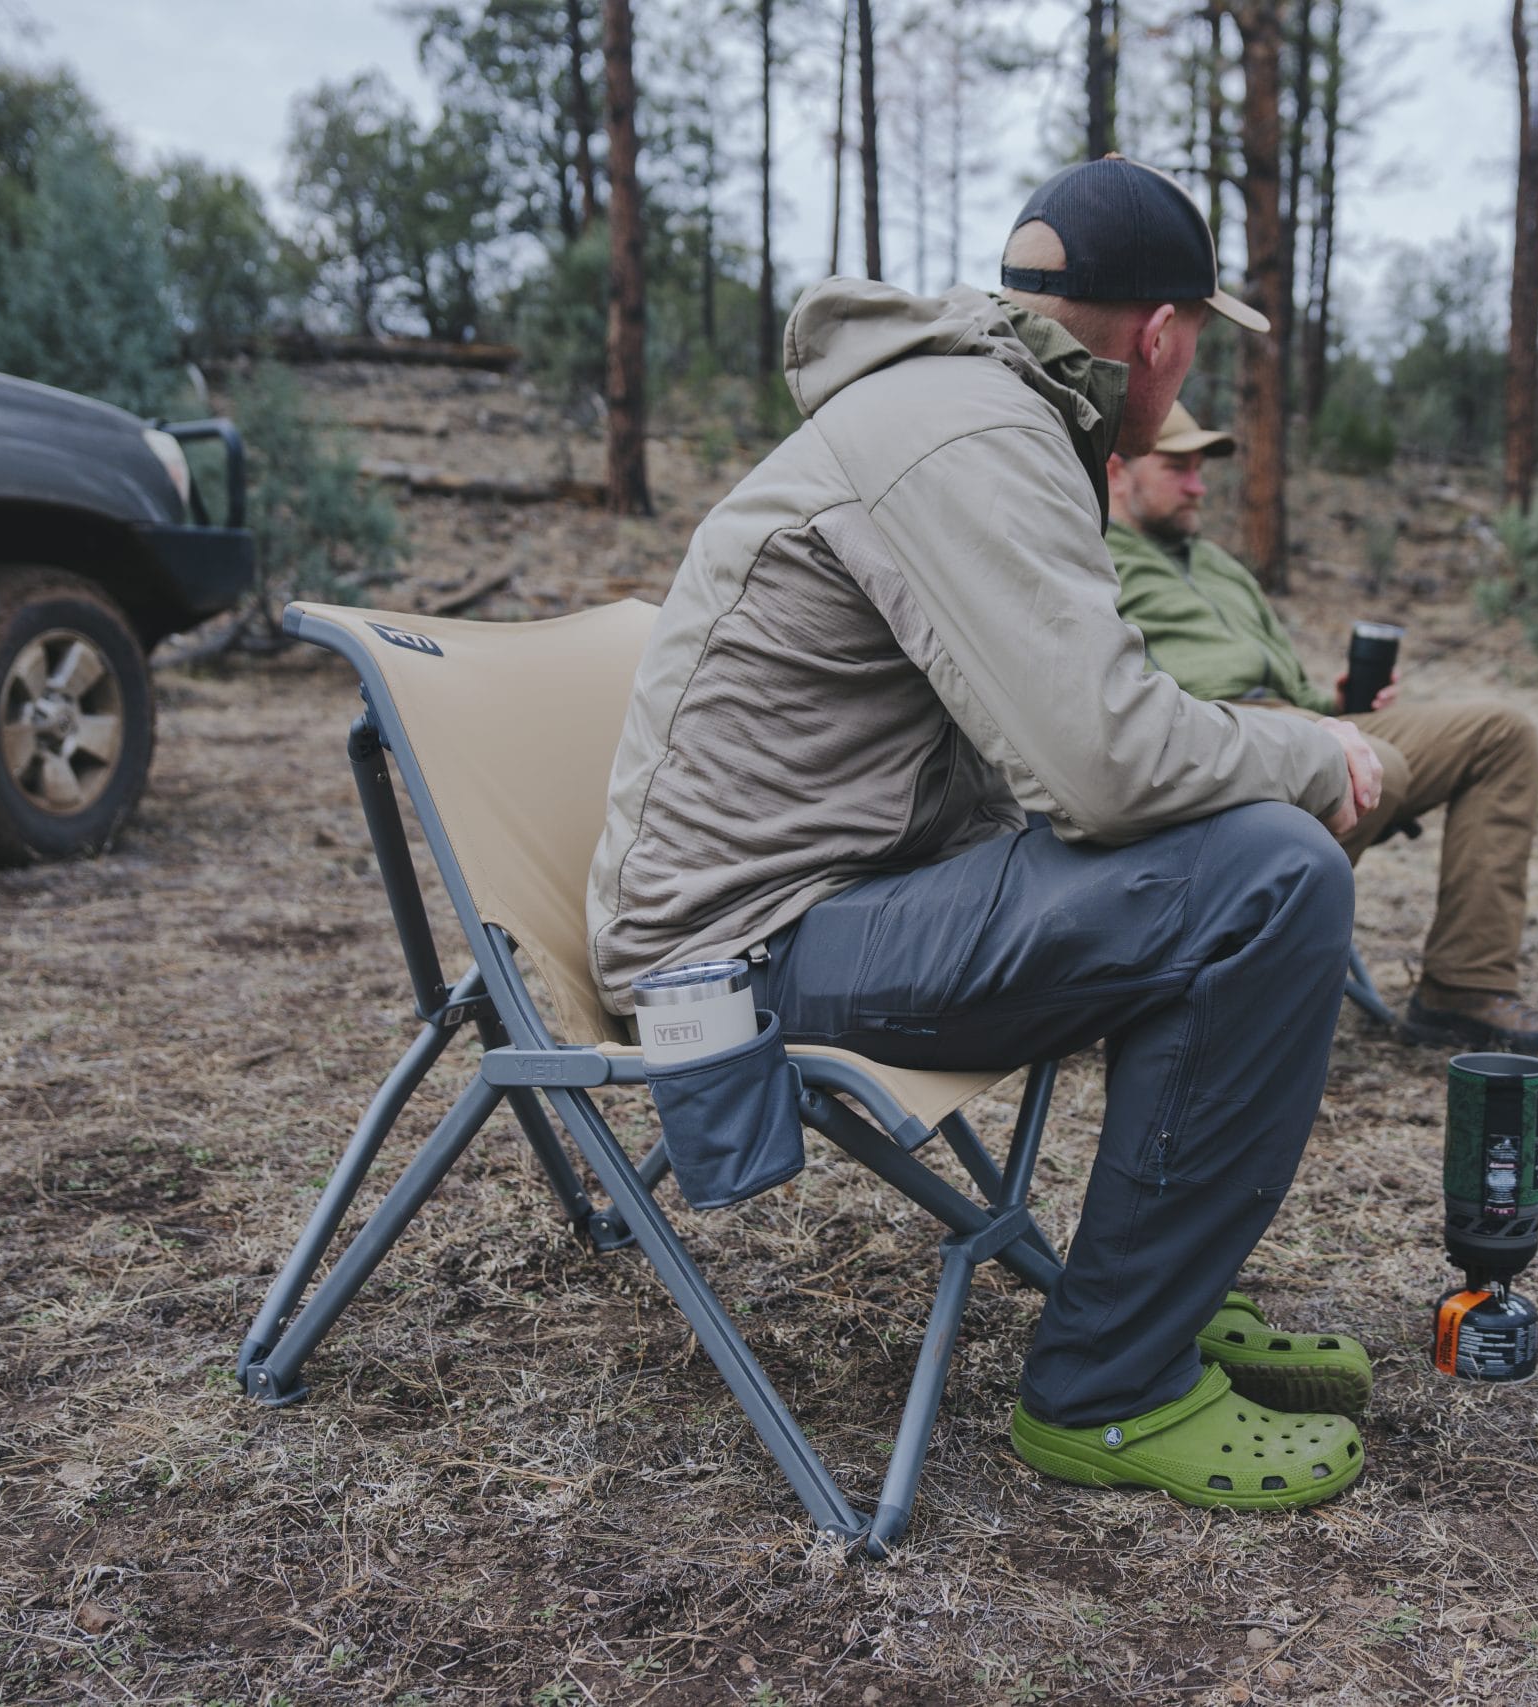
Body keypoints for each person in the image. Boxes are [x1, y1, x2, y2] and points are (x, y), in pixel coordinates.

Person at [587, 158, 1382, 1512]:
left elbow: (1074, 750)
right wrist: (1314, 748)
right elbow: (1106, 762)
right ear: (1160, 333)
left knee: (1226, 859)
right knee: (1267, 873)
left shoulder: (976, 408)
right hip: (741, 957)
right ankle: (1111, 1386)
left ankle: (1156, 1300)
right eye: (1193, 345)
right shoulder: (970, 431)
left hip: (833, 895)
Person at [1105, 407, 1538, 1062]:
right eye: (1177, 467)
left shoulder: (1216, 565)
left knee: (1501, 733)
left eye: (1200, 469)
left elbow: (1289, 684)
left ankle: (1462, 989)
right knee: (1361, 762)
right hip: (1209, 734)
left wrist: (1331, 700)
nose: (1199, 486)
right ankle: (1232, 994)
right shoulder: (1093, 559)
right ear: (1116, 469)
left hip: (1293, 717)